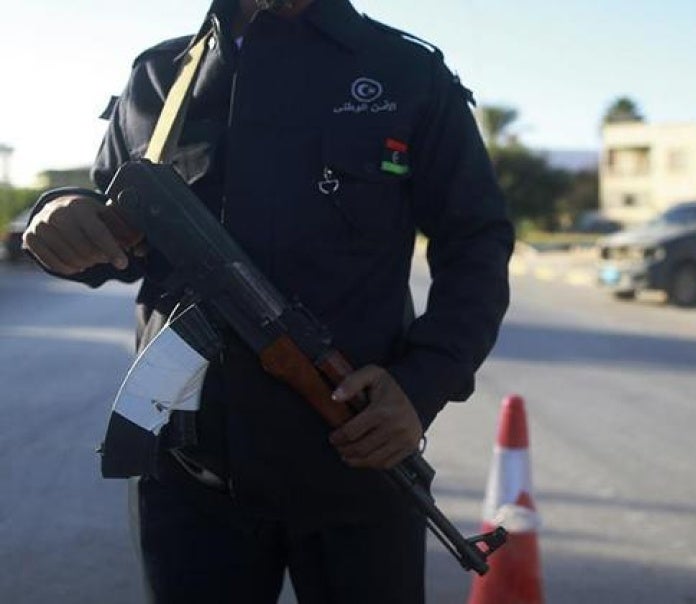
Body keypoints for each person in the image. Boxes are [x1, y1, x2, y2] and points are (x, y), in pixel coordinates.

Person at [22, 0, 513, 602]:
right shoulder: (161, 77)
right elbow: (112, 233)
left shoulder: (406, 73)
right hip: (191, 480)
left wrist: (421, 382)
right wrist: (59, 217)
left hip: (354, 461)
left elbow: (477, 244)